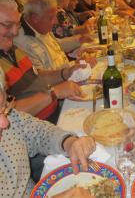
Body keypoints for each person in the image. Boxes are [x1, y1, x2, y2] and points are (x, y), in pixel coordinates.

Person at [0, 66, 96, 197]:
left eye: (3, 107)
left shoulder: (9, 116)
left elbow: (38, 132)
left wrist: (68, 142)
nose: (5, 123)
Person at [0, 0, 85, 122]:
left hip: (55, 112)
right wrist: (54, 93)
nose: (15, 32)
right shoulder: (19, 42)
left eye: (17, 25)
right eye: (7, 25)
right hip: (42, 124)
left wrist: (66, 72)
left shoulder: (11, 47)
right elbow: (7, 114)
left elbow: (36, 76)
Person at [14, 0, 96, 71]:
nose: (56, 22)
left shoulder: (40, 26)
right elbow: (42, 78)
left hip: (67, 73)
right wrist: (74, 65)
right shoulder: (22, 43)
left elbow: (57, 44)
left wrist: (79, 40)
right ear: (35, 18)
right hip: (60, 81)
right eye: (51, 18)